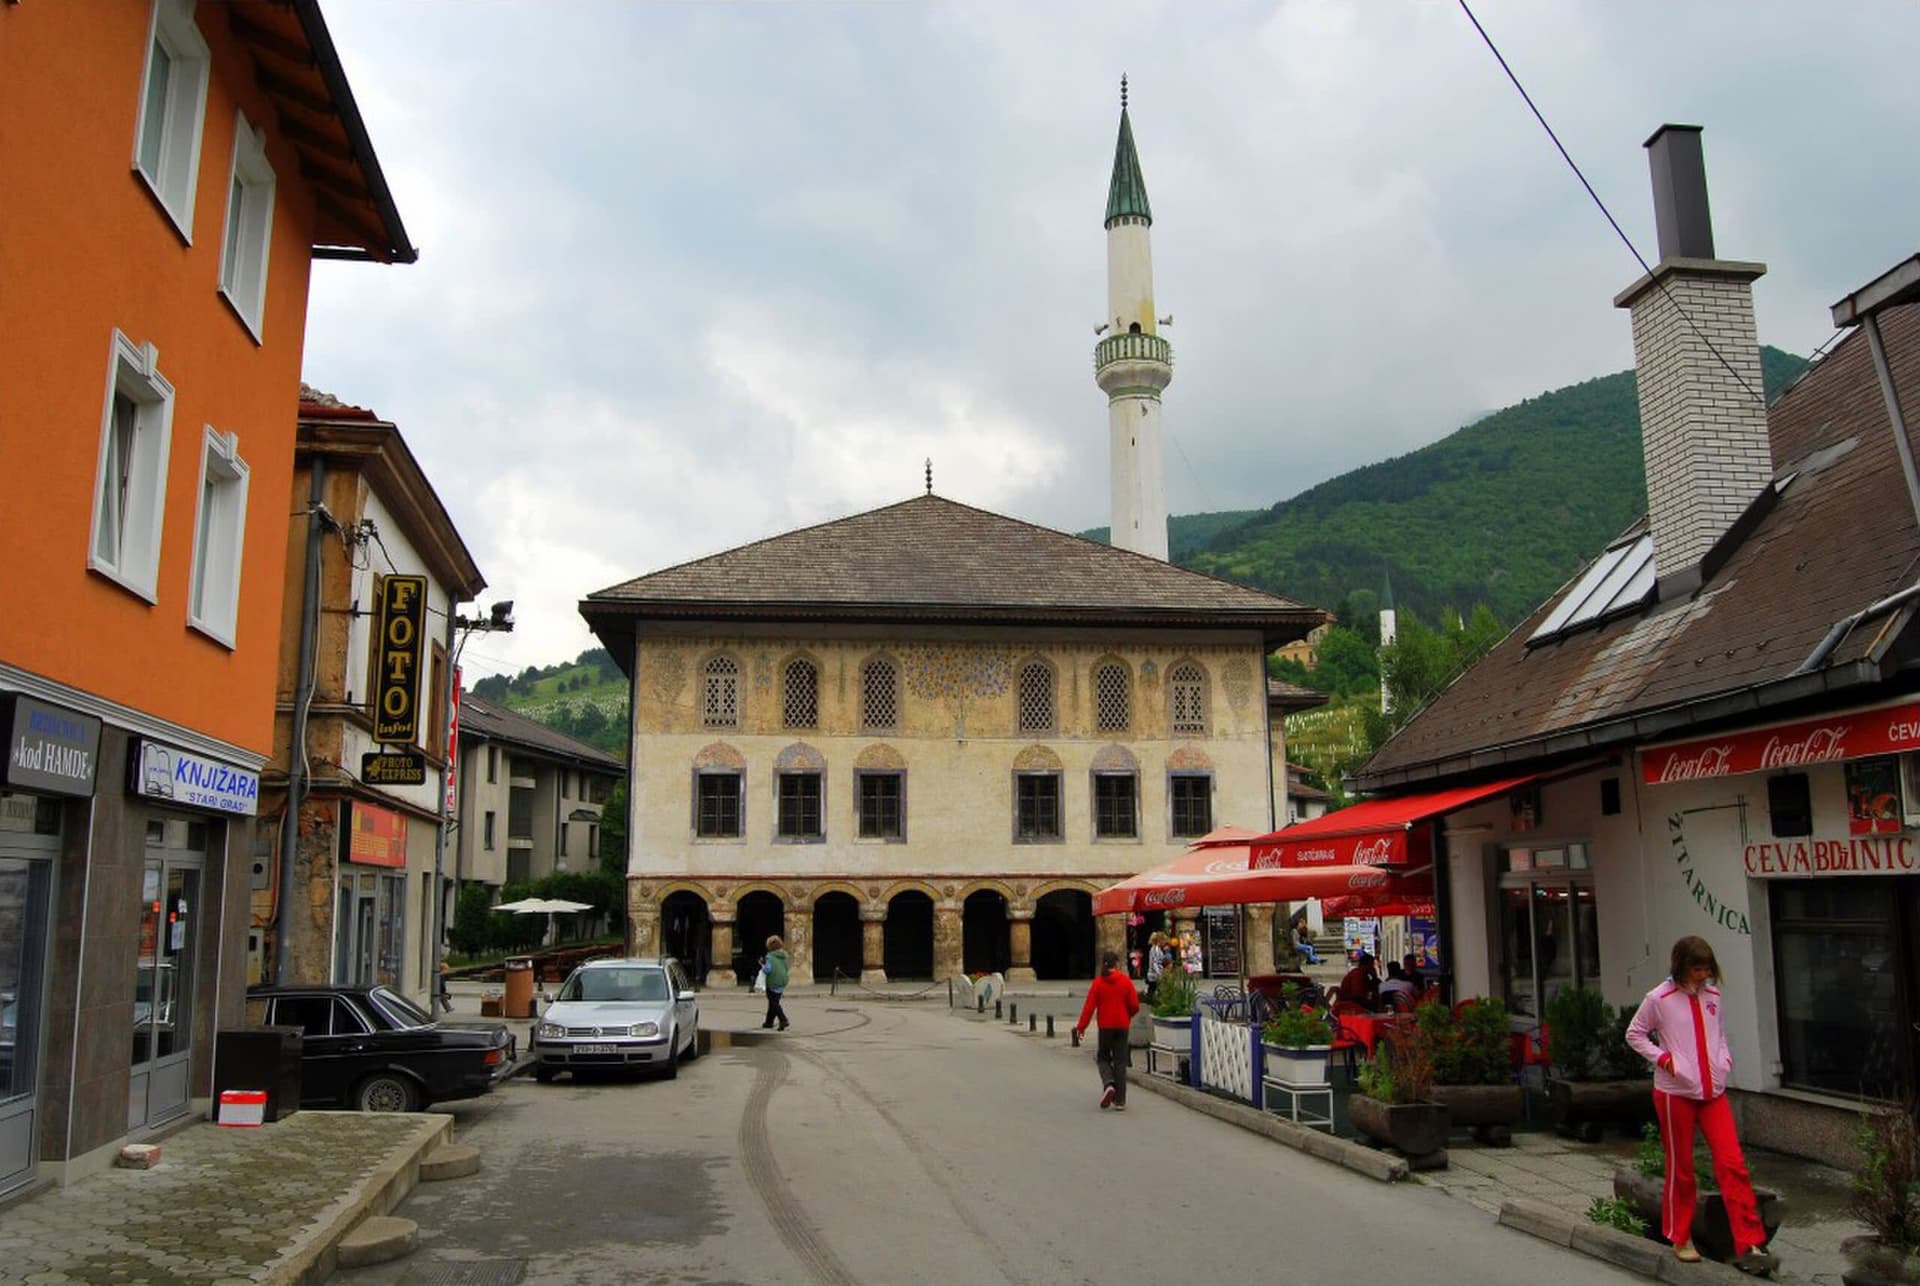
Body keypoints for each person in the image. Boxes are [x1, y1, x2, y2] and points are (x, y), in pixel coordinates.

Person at [1626, 936, 1776, 1276]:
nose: (1702, 975)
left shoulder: (1713, 996)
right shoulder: (1658, 998)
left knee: (1732, 1163)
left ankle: (1749, 1242)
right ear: (1681, 966)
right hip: (1673, 1093)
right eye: (1697, 968)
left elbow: (1718, 1034)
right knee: (1682, 1168)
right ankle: (1680, 1237)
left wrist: (1724, 1059)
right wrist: (1664, 1059)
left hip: (1713, 1092)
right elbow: (1634, 1034)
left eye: (1707, 968)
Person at [1073, 950, 1141, 1112]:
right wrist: (1127, 1015)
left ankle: (1109, 1084)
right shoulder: (1125, 981)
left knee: (1103, 1057)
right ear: (1116, 964)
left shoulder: (1098, 983)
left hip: (1105, 1027)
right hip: (1122, 1026)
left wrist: (1081, 1027)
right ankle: (1120, 1101)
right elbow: (1135, 1005)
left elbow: (1089, 1007)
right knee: (1120, 1061)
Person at [760, 934, 791, 1031]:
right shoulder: (785, 955)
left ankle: (783, 1019)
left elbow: (767, 970)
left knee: (773, 1002)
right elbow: (787, 967)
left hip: (773, 981)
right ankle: (769, 1022)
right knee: (774, 1001)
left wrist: (762, 964)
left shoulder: (770, 956)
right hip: (783, 980)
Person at [1145, 931, 1169, 1001]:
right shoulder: (1156, 949)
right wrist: (1160, 973)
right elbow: (1155, 963)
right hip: (1154, 974)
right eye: (1164, 940)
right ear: (1160, 940)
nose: (1165, 943)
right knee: (1157, 989)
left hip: (1154, 973)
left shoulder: (1156, 948)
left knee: (1152, 988)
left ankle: (1151, 999)